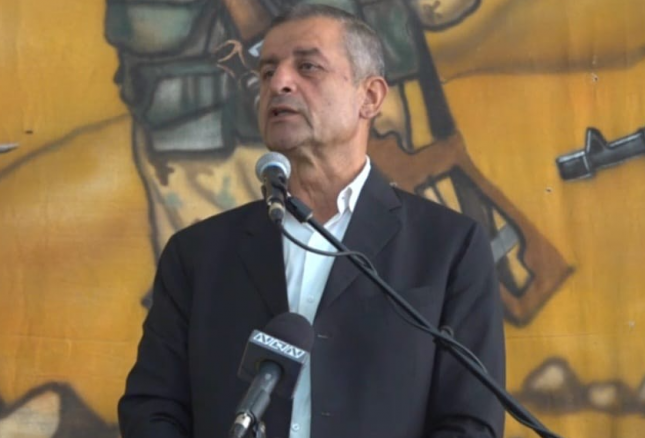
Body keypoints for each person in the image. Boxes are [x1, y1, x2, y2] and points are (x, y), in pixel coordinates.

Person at [118, 5, 505, 438]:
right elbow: (152, 409)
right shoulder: (197, 255)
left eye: (308, 67)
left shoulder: (448, 247)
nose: (278, 83)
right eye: (267, 72)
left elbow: (471, 422)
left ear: (370, 97)